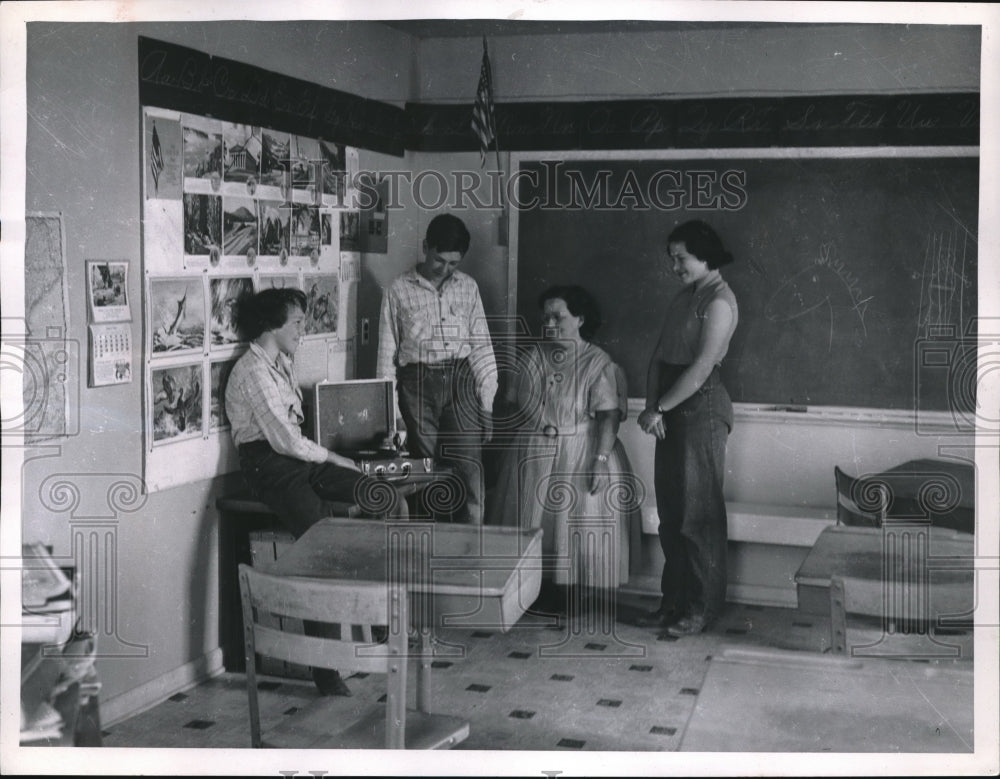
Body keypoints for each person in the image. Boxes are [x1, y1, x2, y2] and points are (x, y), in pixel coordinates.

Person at [226, 287, 362, 696]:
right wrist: (334, 459)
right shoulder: (252, 371)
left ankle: (381, 620)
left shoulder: (280, 362)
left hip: (297, 458)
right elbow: (284, 440)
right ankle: (326, 671)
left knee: (381, 496)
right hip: (267, 465)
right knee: (320, 543)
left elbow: (295, 435)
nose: (304, 329)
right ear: (272, 326)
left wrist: (336, 463)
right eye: (298, 322)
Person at [487, 285, 639, 608]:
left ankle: (573, 594)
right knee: (533, 520)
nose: (550, 324)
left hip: (581, 450)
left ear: (580, 319)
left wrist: (599, 460)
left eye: (559, 317)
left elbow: (609, 416)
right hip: (533, 452)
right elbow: (512, 407)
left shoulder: (598, 362)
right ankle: (536, 592)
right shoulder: (532, 357)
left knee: (573, 524)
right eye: (546, 318)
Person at [634, 220, 739, 637]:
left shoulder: (720, 301)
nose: (675, 266)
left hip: (701, 407)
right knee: (672, 515)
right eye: (672, 259)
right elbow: (660, 358)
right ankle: (673, 603)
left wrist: (660, 407)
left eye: (682, 258)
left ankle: (701, 608)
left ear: (705, 255)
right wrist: (652, 407)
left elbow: (701, 367)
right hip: (670, 407)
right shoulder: (684, 297)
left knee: (698, 517)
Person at [377, 213, 497, 524]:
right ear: (425, 247)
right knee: (424, 471)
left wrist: (486, 405)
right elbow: (386, 354)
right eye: (439, 260)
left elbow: (482, 346)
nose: (444, 269)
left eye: (453, 263)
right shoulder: (398, 289)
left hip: (461, 380)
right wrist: (393, 415)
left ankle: (472, 543)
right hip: (417, 384)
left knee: (470, 471)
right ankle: (430, 541)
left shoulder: (468, 287)